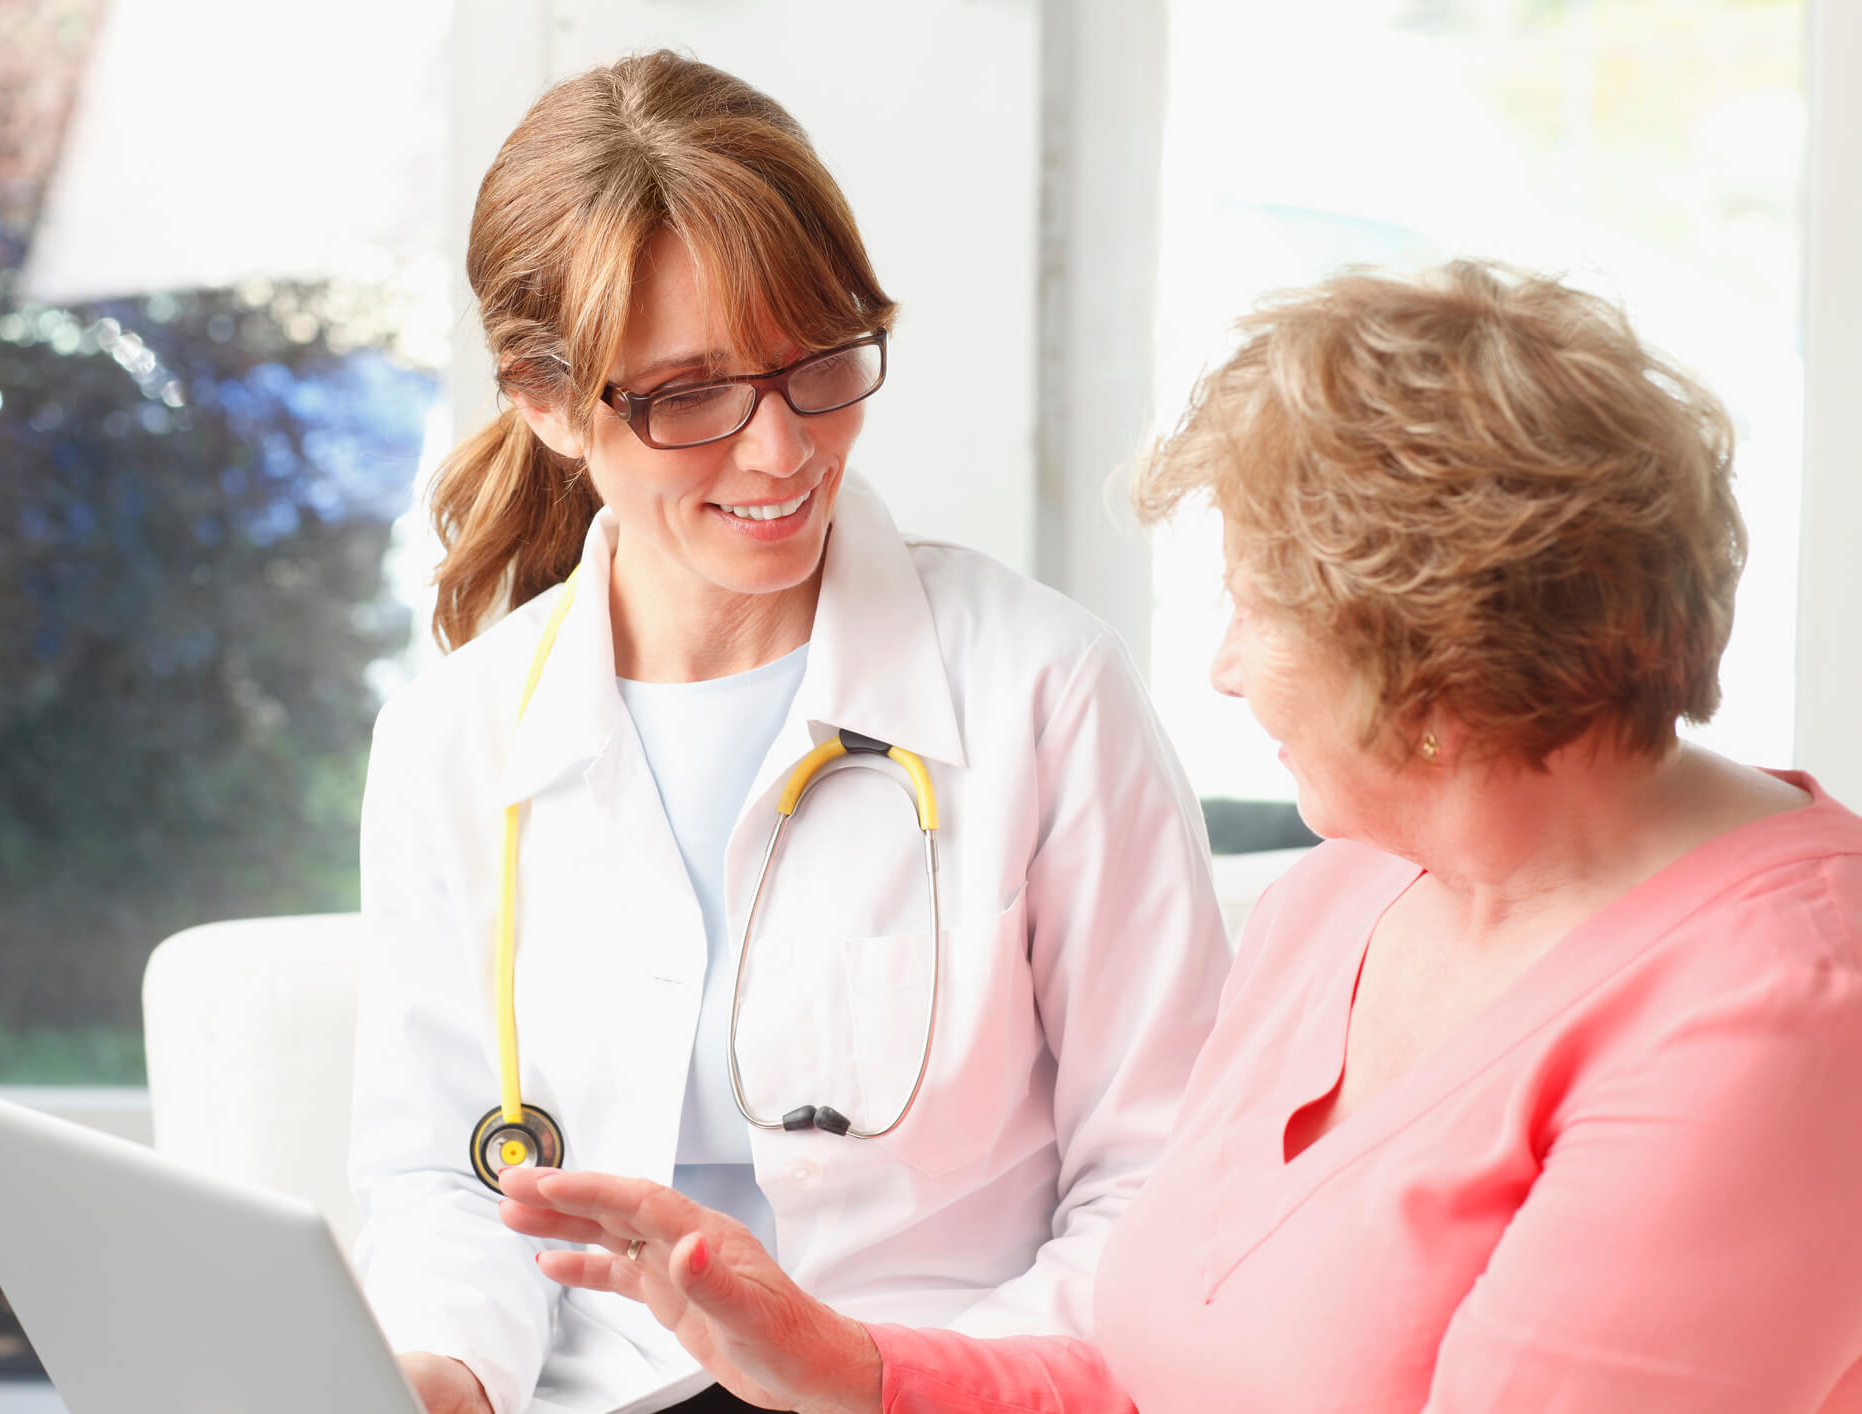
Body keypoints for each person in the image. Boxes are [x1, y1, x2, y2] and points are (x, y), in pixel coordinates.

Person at [499, 261, 1862, 1412]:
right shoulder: (1341, 896)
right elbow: (1152, 1369)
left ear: (1436, 670)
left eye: (1259, 606)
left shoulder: (1780, 1013)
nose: (1221, 668)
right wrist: (851, 1368)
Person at [348, 50, 1232, 1414]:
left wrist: (883, 1377)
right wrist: (442, 1376)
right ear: (542, 397)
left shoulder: (1042, 691)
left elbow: (1161, 1183)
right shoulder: (454, 738)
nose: (782, 453)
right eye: (691, 394)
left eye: (816, 363)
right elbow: (440, 1176)